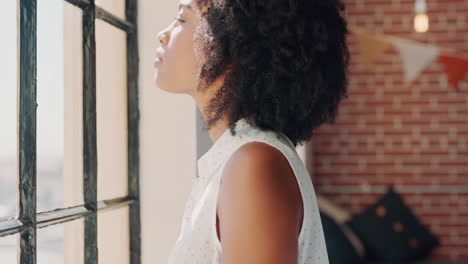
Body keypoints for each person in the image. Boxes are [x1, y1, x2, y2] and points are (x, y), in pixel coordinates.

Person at [154, 0, 350, 263]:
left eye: (182, 19)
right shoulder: (243, 156)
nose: (163, 35)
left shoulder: (253, 163)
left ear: (233, 44)